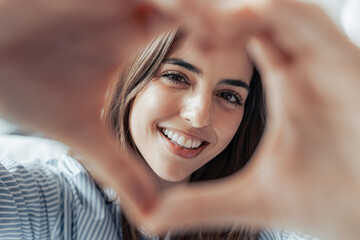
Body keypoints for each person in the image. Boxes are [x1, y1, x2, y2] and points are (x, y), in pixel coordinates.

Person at [0, 0, 360, 239]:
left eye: (229, 96)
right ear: (130, 79)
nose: (200, 115)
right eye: (176, 76)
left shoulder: (272, 223)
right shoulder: (52, 201)